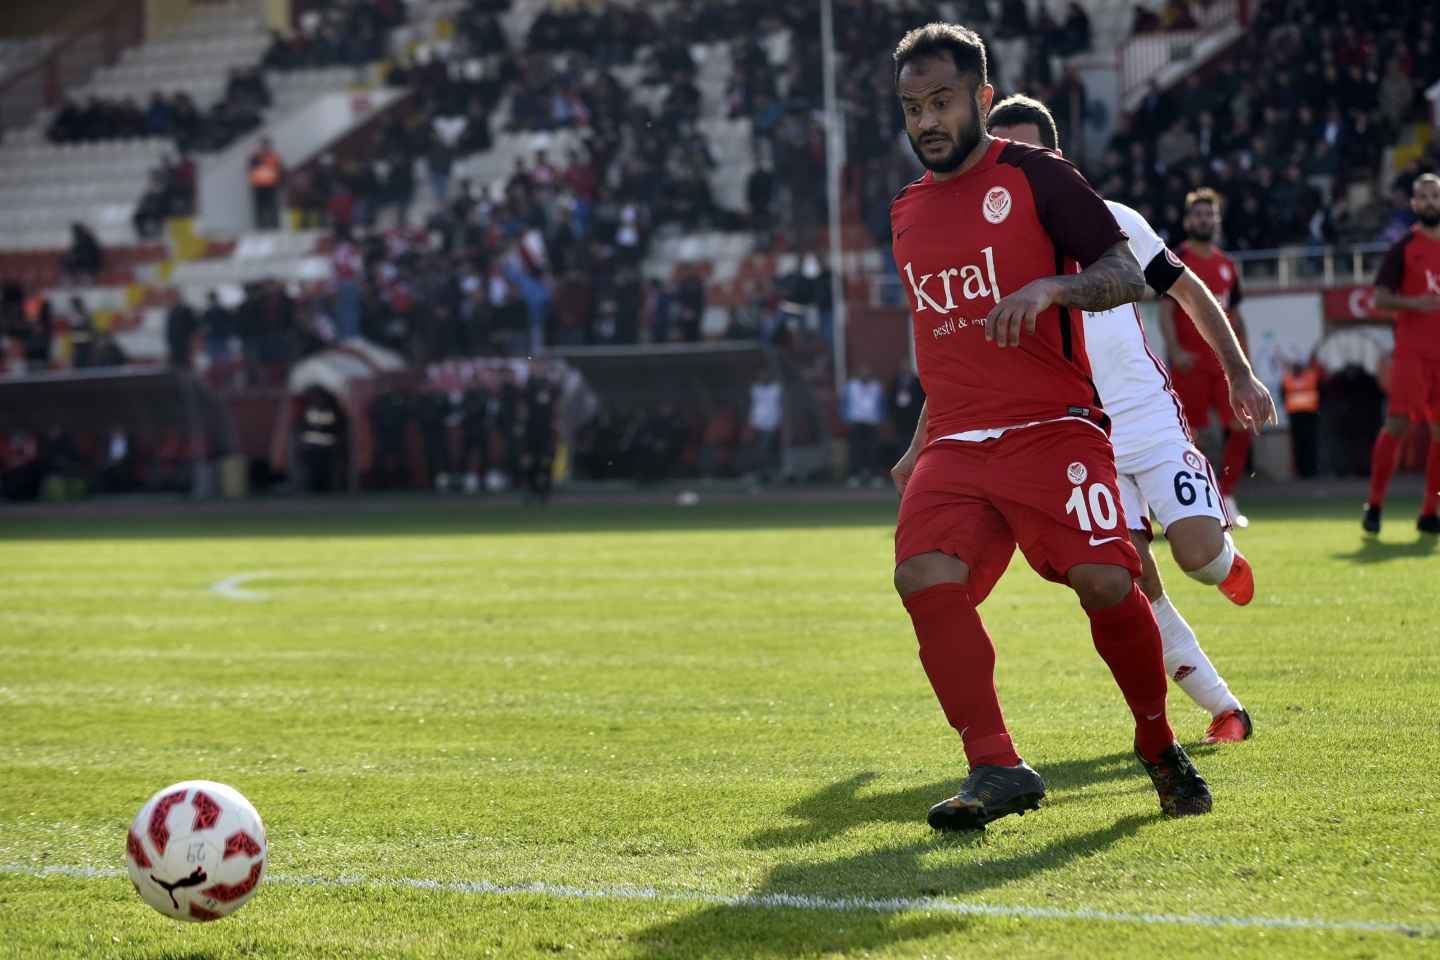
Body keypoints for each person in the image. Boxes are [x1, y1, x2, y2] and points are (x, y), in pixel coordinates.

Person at [887, 24, 1210, 831]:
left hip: (1051, 428)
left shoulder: (1038, 176)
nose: (927, 120)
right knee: (922, 576)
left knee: (1106, 582)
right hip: (957, 441)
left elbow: (1124, 274)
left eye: (942, 102)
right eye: (913, 107)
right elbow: (947, 337)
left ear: (982, 98)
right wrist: (919, 444)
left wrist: (1052, 290)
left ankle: (1156, 741)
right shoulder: (906, 211)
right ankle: (995, 763)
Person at [988, 94, 1275, 745]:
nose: (1017, 168)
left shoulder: (1113, 220)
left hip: (1149, 422)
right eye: (1005, 156)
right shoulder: (991, 255)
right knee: (1132, 582)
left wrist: (1239, 372)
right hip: (1079, 439)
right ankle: (1225, 709)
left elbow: (1189, 290)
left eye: (1030, 154)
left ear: (1057, 157)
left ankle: (1225, 561)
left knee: (1198, 558)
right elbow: (963, 354)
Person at [1159, 188, 1254, 526]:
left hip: (1224, 365)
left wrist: (1246, 365)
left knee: (1242, 424)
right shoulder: (1174, 259)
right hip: (1191, 363)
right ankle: (1200, 497)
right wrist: (1175, 350)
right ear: (1187, 221)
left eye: (1209, 214)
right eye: (1197, 214)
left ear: (1218, 221)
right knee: (1191, 435)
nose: (1203, 220)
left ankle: (1226, 495)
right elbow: (1165, 311)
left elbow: (1237, 318)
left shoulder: (1227, 264)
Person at [1363, 173, 1440, 535]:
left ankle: (1429, 512)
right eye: (1422, 197)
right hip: (1412, 352)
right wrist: (1415, 303)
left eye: (1434, 196)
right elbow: (1380, 298)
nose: (1429, 202)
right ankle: (1375, 504)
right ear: (1413, 204)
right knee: (1397, 425)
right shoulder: (1404, 248)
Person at [842, 363, 886, 487]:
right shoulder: (852, 386)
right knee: (856, 450)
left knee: (873, 450)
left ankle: (874, 475)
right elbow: (845, 402)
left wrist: (880, 417)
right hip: (856, 422)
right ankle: (856, 475)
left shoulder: (876, 387)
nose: (864, 375)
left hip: (871, 422)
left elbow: (881, 402)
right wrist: (847, 417)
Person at [1281, 357, 1322, 478]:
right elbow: (1283, 395)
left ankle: (1312, 469)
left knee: (1310, 441)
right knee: (1299, 443)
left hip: (1310, 415)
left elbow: (1321, 392)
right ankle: (1302, 469)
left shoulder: (1311, 377)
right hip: (1295, 416)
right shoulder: (1287, 379)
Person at [747, 366, 782, 483]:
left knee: (767, 448)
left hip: (771, 423)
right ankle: (761, 472)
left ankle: (767, 473)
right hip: (758, 423)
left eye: (766, 374)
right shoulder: (756, 388)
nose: (764, 377)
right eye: (762, 375)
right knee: (760, 449)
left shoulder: (776, 388)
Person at [248, 137, 284, 230]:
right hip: (259, 186)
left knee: (272, 208)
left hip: (271, 186)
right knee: (260, 208)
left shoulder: (274, 156)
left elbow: (280, 170)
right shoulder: (256, 157)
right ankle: (261, 227)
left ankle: (274, 227)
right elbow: (251, 168)